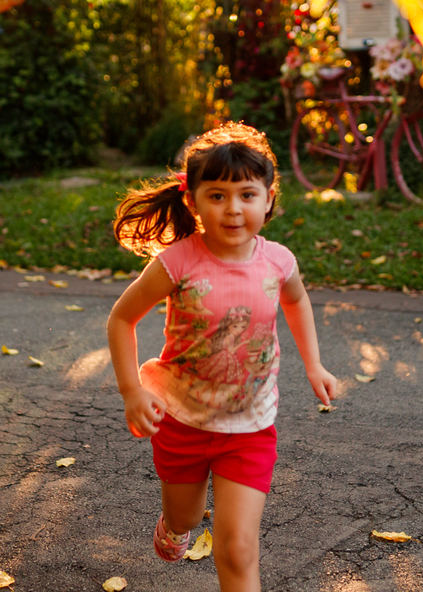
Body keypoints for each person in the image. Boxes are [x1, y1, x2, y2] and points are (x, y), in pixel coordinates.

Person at [106, 122, 338, 592]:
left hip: (250, 427)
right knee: (185, 515)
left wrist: (314, 363)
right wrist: (132, 391)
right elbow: (120, 319)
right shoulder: (177, 262)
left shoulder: (278, 262)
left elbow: (295, 301)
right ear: (192, 201)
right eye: (217, 196)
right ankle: (174, 525)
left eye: (247, 195)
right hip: (181, 421)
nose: (233, 209)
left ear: (269, 198)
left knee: (237, 548)